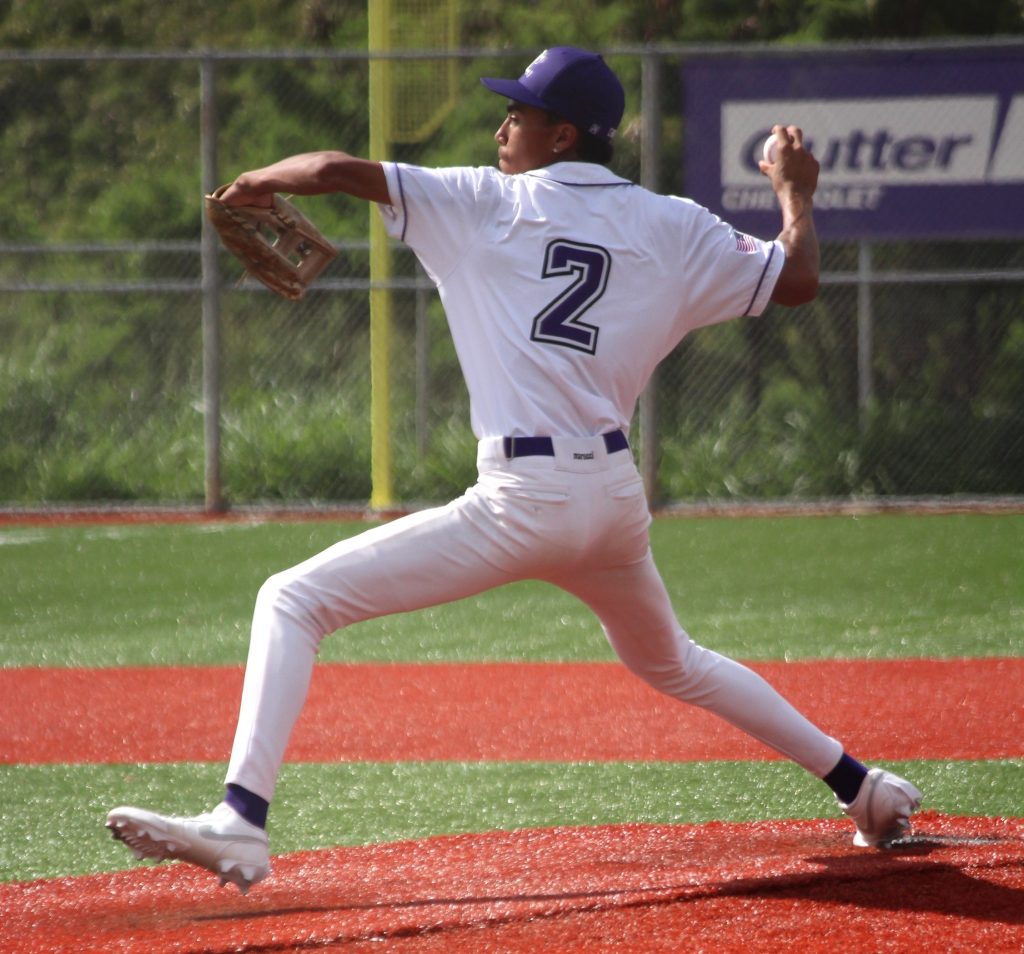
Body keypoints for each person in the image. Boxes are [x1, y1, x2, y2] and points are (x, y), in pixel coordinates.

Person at [106, 46, 921, 893]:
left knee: (293, 598)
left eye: (519, 114)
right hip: (610, 498)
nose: (502, 127)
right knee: (671, 661)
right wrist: (794, 190)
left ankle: (241, 821)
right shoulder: (673, 224)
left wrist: (251, 180)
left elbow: (333, 169)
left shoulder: (483, 202)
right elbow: (797, 278)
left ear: (562, 135)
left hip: (522, 500)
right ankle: (864, 791)